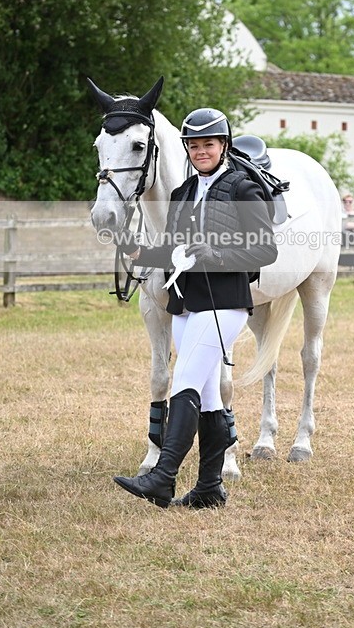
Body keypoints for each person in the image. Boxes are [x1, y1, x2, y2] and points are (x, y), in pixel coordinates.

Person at [112, 108, 278, 509]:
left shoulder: (243, 189)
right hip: (187, 306)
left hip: (224, 304)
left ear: (223, 145)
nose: (201, 151)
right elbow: (174, 249)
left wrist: (218, 253)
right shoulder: (182, 193)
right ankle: (209, 488)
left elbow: (265, 249)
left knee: (183, 380)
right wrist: (139, 251)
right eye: (194, 145)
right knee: (208, 399)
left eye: (208, 144)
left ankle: (163, 477)